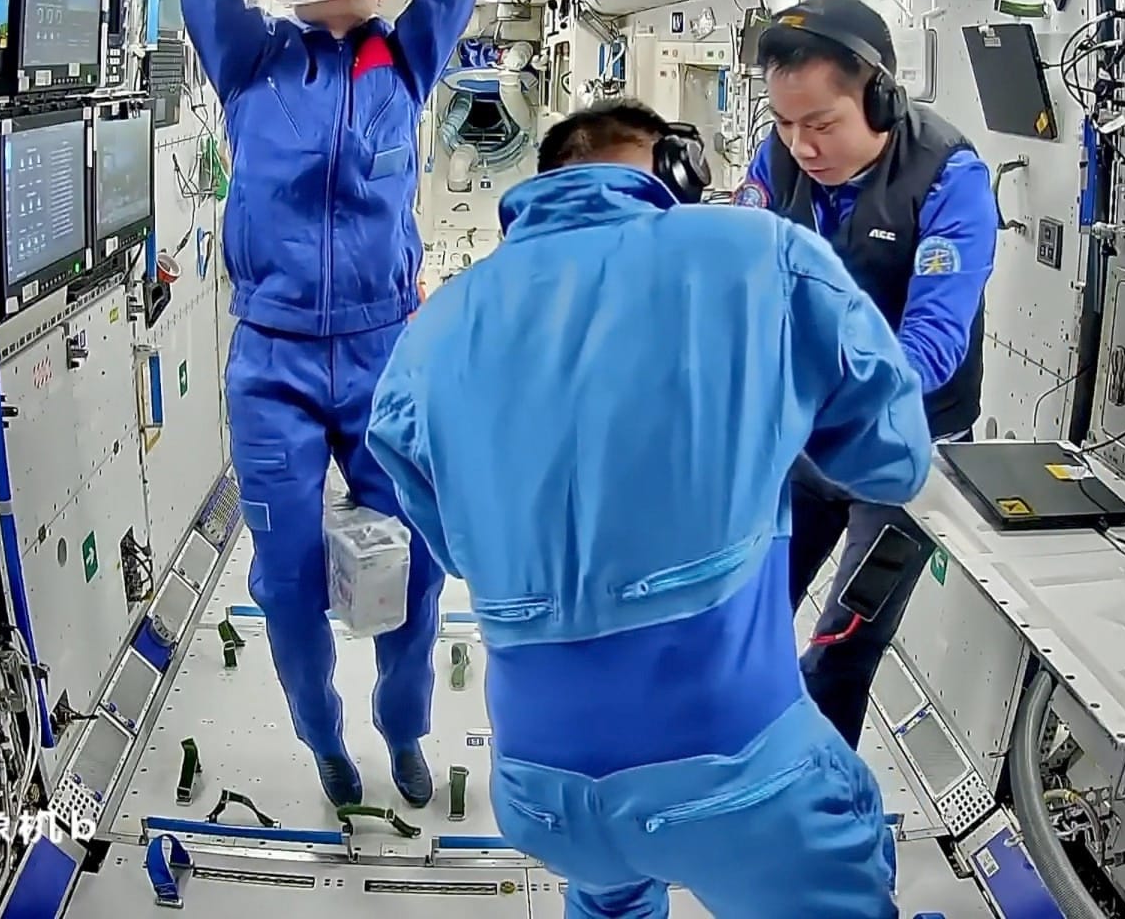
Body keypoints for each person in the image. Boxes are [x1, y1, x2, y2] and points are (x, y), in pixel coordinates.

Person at [365, 99, 931, 919]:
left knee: (609, 887)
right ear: (677, 172)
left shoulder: (435, 330)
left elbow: (454, 544)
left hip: (540, 793)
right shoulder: (765, 254)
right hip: (736, 776)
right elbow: (894, 461)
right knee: (839, 823)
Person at [183, 0, 477, 809]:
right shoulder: (252, 61)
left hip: (384, 349)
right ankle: (323, 741)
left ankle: (403, 728)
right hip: (272, 361)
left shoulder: (406, 61)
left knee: (414, 563)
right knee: (286, 580)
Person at [735, 0, 999, 748]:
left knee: (843, 649)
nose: (802, 146)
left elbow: (933, 344)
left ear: (879, 98)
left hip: (906, 452)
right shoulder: (777, 160)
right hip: (801, 444)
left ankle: (818, 803)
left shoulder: (947, 177)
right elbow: (740, 278)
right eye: (785, 124)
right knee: (742, 615)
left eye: (822, 125)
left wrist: (828, 397)